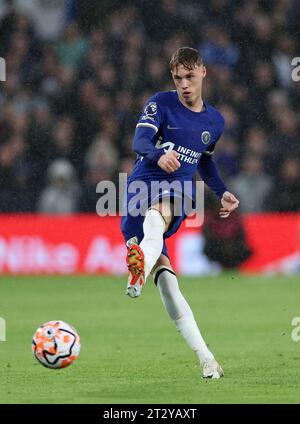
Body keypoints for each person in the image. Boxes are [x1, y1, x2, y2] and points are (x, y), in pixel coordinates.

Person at [121, 47, 239, 379]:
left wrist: (222, 192)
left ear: (203, 72)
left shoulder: (215, 121)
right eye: (177, 78)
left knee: (159, 214)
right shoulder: (161, 102)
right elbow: (139, 140)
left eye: (189, 76)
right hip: (142, 183)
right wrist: (158, 154)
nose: (184, 85)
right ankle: (207, 356)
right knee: (169, 286)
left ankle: (137, 270)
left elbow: (204, 160)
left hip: (178, 189)